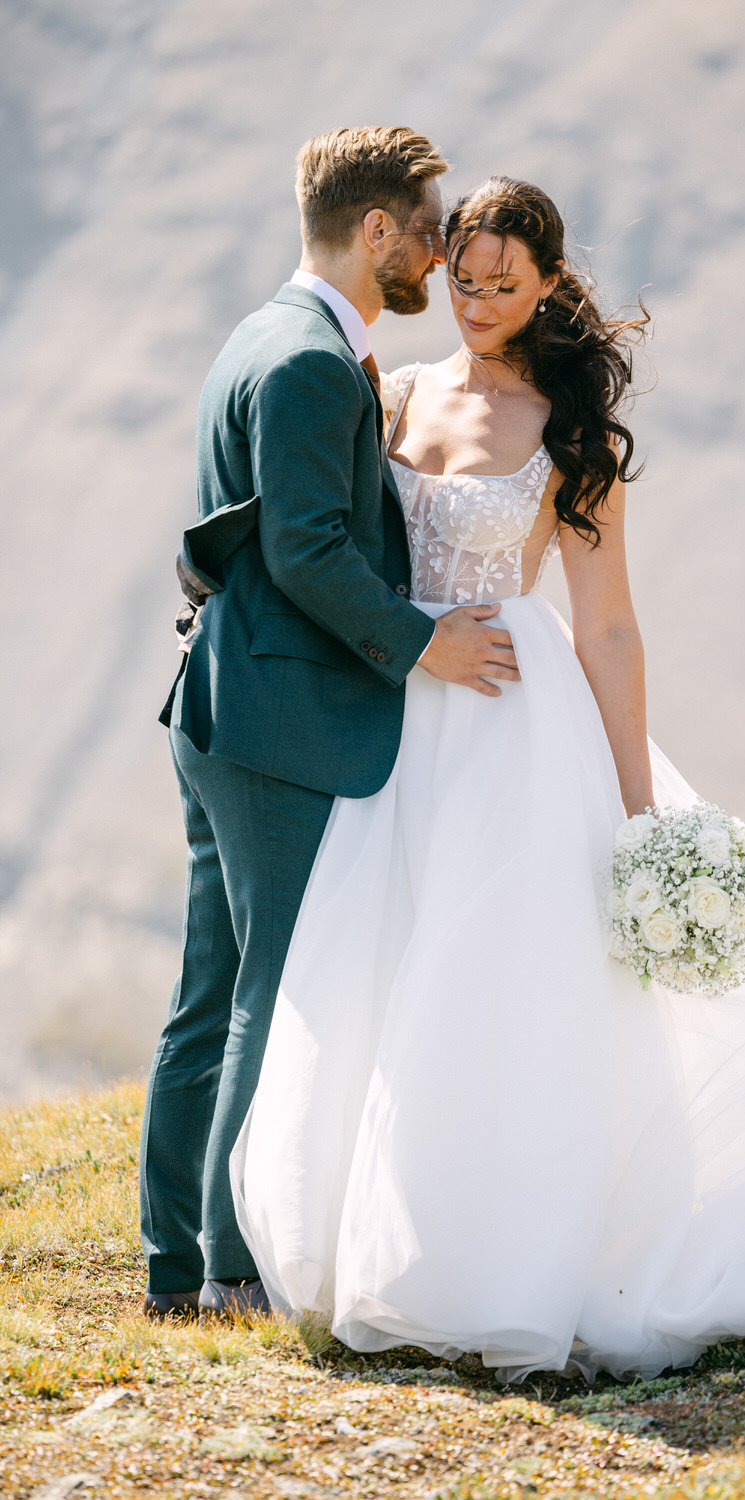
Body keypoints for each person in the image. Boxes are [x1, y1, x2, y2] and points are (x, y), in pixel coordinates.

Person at [232, 177, 745, 1380]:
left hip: (510, 725)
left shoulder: (571, 436)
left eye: (503, 284)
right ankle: (372, 1244)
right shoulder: (387, 393)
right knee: (378, 972)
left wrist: (637, 805)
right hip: (391, 720)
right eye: (465, 280)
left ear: (548, 286)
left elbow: (608, 633)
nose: (477, 303)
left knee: (499, 989)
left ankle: (500, 1267)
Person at [140, 129, 523, 1322]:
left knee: (212, 990)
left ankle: (172, 1266)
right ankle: (231, 1268)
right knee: (273, 985)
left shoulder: (271, 331)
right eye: (425, 230)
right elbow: (305, 547)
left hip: (228, 707)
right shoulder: (311, 361)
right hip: (277, 719)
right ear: (375, 233)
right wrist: (423, 641)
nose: (437, 255)